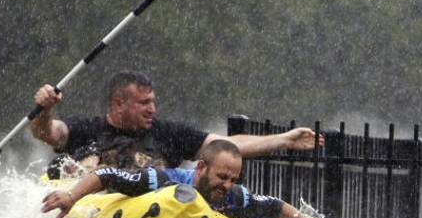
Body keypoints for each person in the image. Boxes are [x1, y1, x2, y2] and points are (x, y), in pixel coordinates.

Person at [41, 139, 328, 218]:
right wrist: (71, 196)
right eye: (222, 176)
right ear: (201, 168)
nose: (227, 185)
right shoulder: (163, 179)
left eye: (234, 178)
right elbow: (106, 174)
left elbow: (273, 206)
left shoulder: (232, 197)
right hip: (125, 209)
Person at [30, 71, 320, 170]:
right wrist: (44, 109)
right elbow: (48, 133)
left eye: (153, 101)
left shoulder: (169, 134)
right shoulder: (86, 129)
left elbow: (227, 145)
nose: (152, 109)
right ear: (119, 103)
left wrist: (284, 140)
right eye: (144, 103)